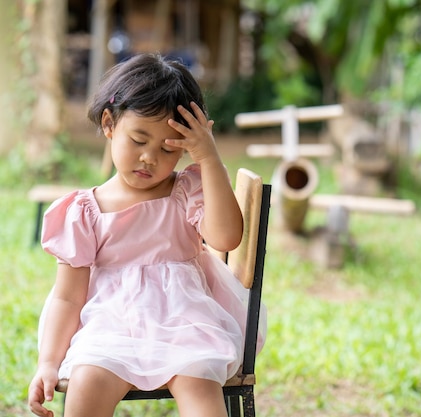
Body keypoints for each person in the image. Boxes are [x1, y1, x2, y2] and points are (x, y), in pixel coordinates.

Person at [27, 53, 264, 417]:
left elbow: (226, 239)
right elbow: (67, 298)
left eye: (168, 148)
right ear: (109, 124)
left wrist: (209, 158)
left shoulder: (188, 191)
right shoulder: (85, 212)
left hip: (186, 323)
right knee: (87, 386)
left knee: (200, 382)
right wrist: (47, 362)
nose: (149, 158)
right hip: (110, 327)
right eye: (138, 140)